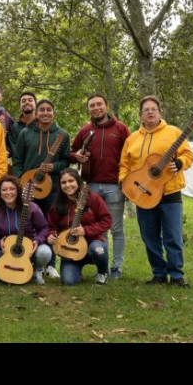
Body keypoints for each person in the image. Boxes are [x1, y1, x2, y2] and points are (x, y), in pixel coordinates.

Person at [119, 96, 193, 287]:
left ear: (160, 112)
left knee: (173, 236)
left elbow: (188, 154)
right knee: (149, 236)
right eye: (146, 110)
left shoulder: (174, 132)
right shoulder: (132, 139)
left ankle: (177, 275)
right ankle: (159, 274)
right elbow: (124, 165)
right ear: (140, 115)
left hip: (170, 192)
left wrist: (179, 162)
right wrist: (124, 182)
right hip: (142, 194)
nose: (150, 112)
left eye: (154, 109)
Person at [71, 93, 130, 279]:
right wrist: (77, 156)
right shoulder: (85, 130)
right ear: (88, 109)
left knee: (117, 229)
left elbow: (129, 156)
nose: (96, 108)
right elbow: (72, 152)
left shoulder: (121, 129)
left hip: (115, 185)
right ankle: (100, 267)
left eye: (99, 104)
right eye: (92, 105)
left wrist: (126, 182)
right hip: (91, 185)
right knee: (97, 228)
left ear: (106, 105)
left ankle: (117, 268)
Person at [11, 98, 70, 278]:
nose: (45, 113)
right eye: (41, 110)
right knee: (26, 222)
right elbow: (17, 160)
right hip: (29, 186)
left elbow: (67, 160)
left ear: (53, 112)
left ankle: (50, 264)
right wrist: (21, 181)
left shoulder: (62, 135)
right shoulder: (26, 133)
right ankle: (27, 258)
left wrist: (55, 167)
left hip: (52, 189)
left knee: (51, 223)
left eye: (48, 110)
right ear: (36, 113)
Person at [47, 168, 112, 286]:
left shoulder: (93, 198)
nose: (68, 185)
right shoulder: (58, 203)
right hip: (70, 249)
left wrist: (86, 230)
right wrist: (51, 235)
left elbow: (106, 221)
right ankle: (77, 271)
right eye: (64, 182)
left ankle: (103, 273)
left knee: (99, 250)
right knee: (68, 281)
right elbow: (51, 225)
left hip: (92, 242)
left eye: (71, 181)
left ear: (78, 181)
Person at [0, 174, 52, 285]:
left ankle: (37, 272)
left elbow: (44, 228)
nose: (8, 192)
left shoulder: (31, 208)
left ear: (18, 191)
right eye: (4, 189)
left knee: (45, 252)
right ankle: (3, 270)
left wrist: (37, 241)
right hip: (7, 250)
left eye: (12, 189)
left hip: (28, 250)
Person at [8, 91, 36, 158]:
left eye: (30, 100)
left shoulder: (44, 124)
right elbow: (15, 153)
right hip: (23, 167)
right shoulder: (15, 128)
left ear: (36, 104)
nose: (27, 102)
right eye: (23, 101)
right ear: (20, 106)